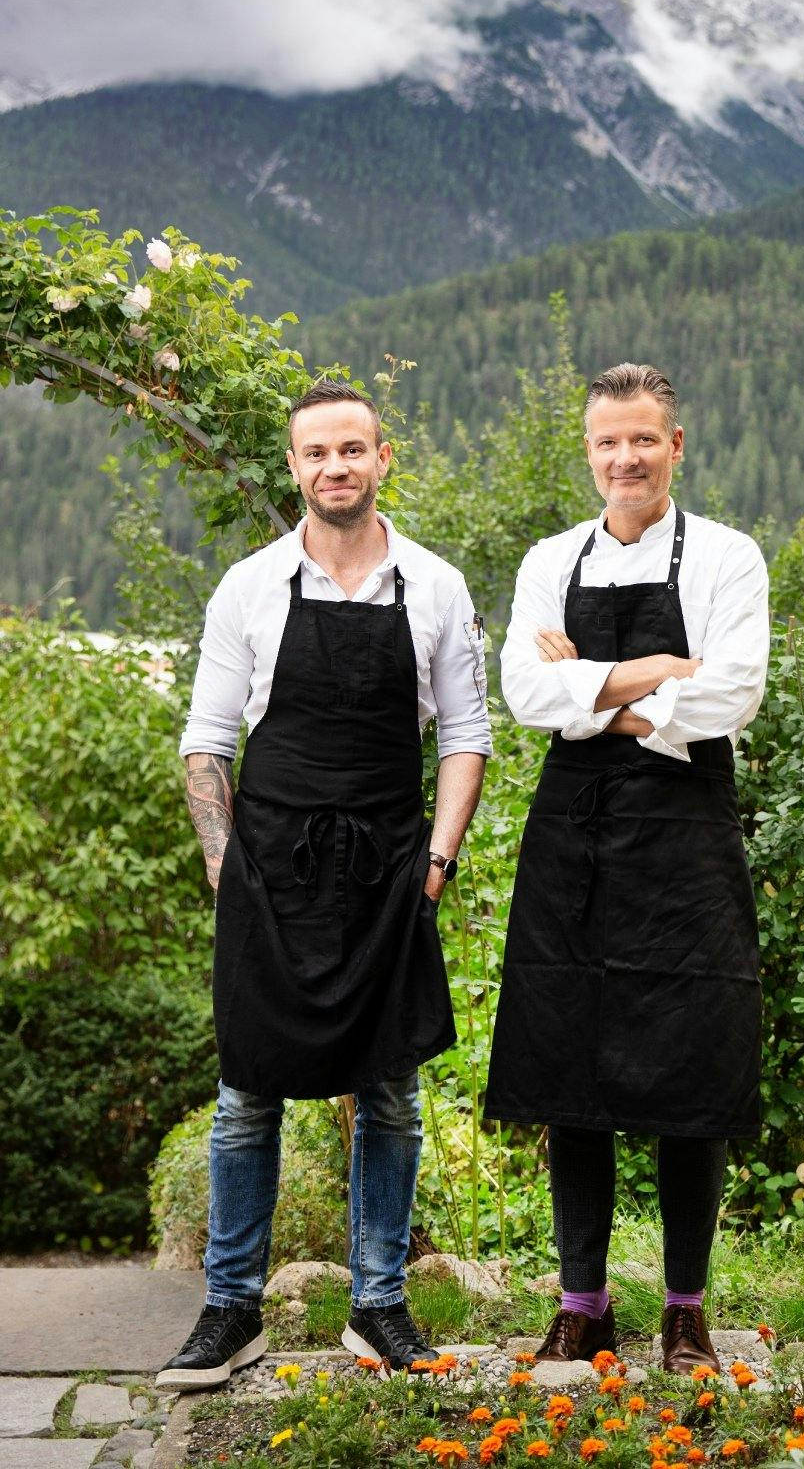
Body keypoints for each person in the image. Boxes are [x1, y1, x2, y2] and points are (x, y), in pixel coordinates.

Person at [157, 379, 490, 1389]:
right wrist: (226, 866)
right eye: (316, 453)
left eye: (352, 449)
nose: (334, 467)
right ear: (295, 466)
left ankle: (378, 1307)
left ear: (383, 458)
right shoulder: (250, 586)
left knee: (390, 1094)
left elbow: (466, 735)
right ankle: (231, 1311)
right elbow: (207, 741)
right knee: (245, 1096)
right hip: (270, 869)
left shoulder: (435, 587)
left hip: (391, 871)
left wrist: (435, 863)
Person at [485, 362, 769, 1373]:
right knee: (571, 1068)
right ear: (589, 449)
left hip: (686, 839)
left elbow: (732, 694)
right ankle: (583, 1305)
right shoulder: (548, 560)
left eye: (644, 438)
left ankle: (686, 1311)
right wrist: (655, 673)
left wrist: (591, 694)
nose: (626, 458)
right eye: (608, 441)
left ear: (674, 446)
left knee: (694, 1067)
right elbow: (524, 692)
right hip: (573, 841)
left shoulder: (728, 557)